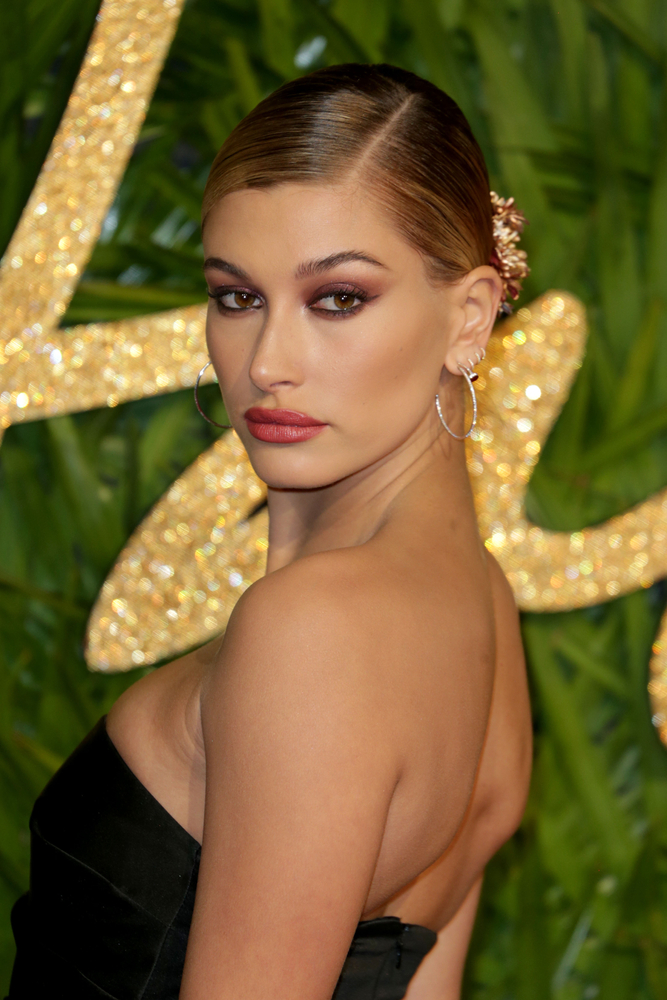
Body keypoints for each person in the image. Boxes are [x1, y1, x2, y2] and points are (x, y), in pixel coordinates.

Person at [8, 63, 532, 1000]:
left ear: (469, 316)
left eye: (338, 299)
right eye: (237, 297)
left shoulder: (313, 630)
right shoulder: (481, 606)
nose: (267, 362)